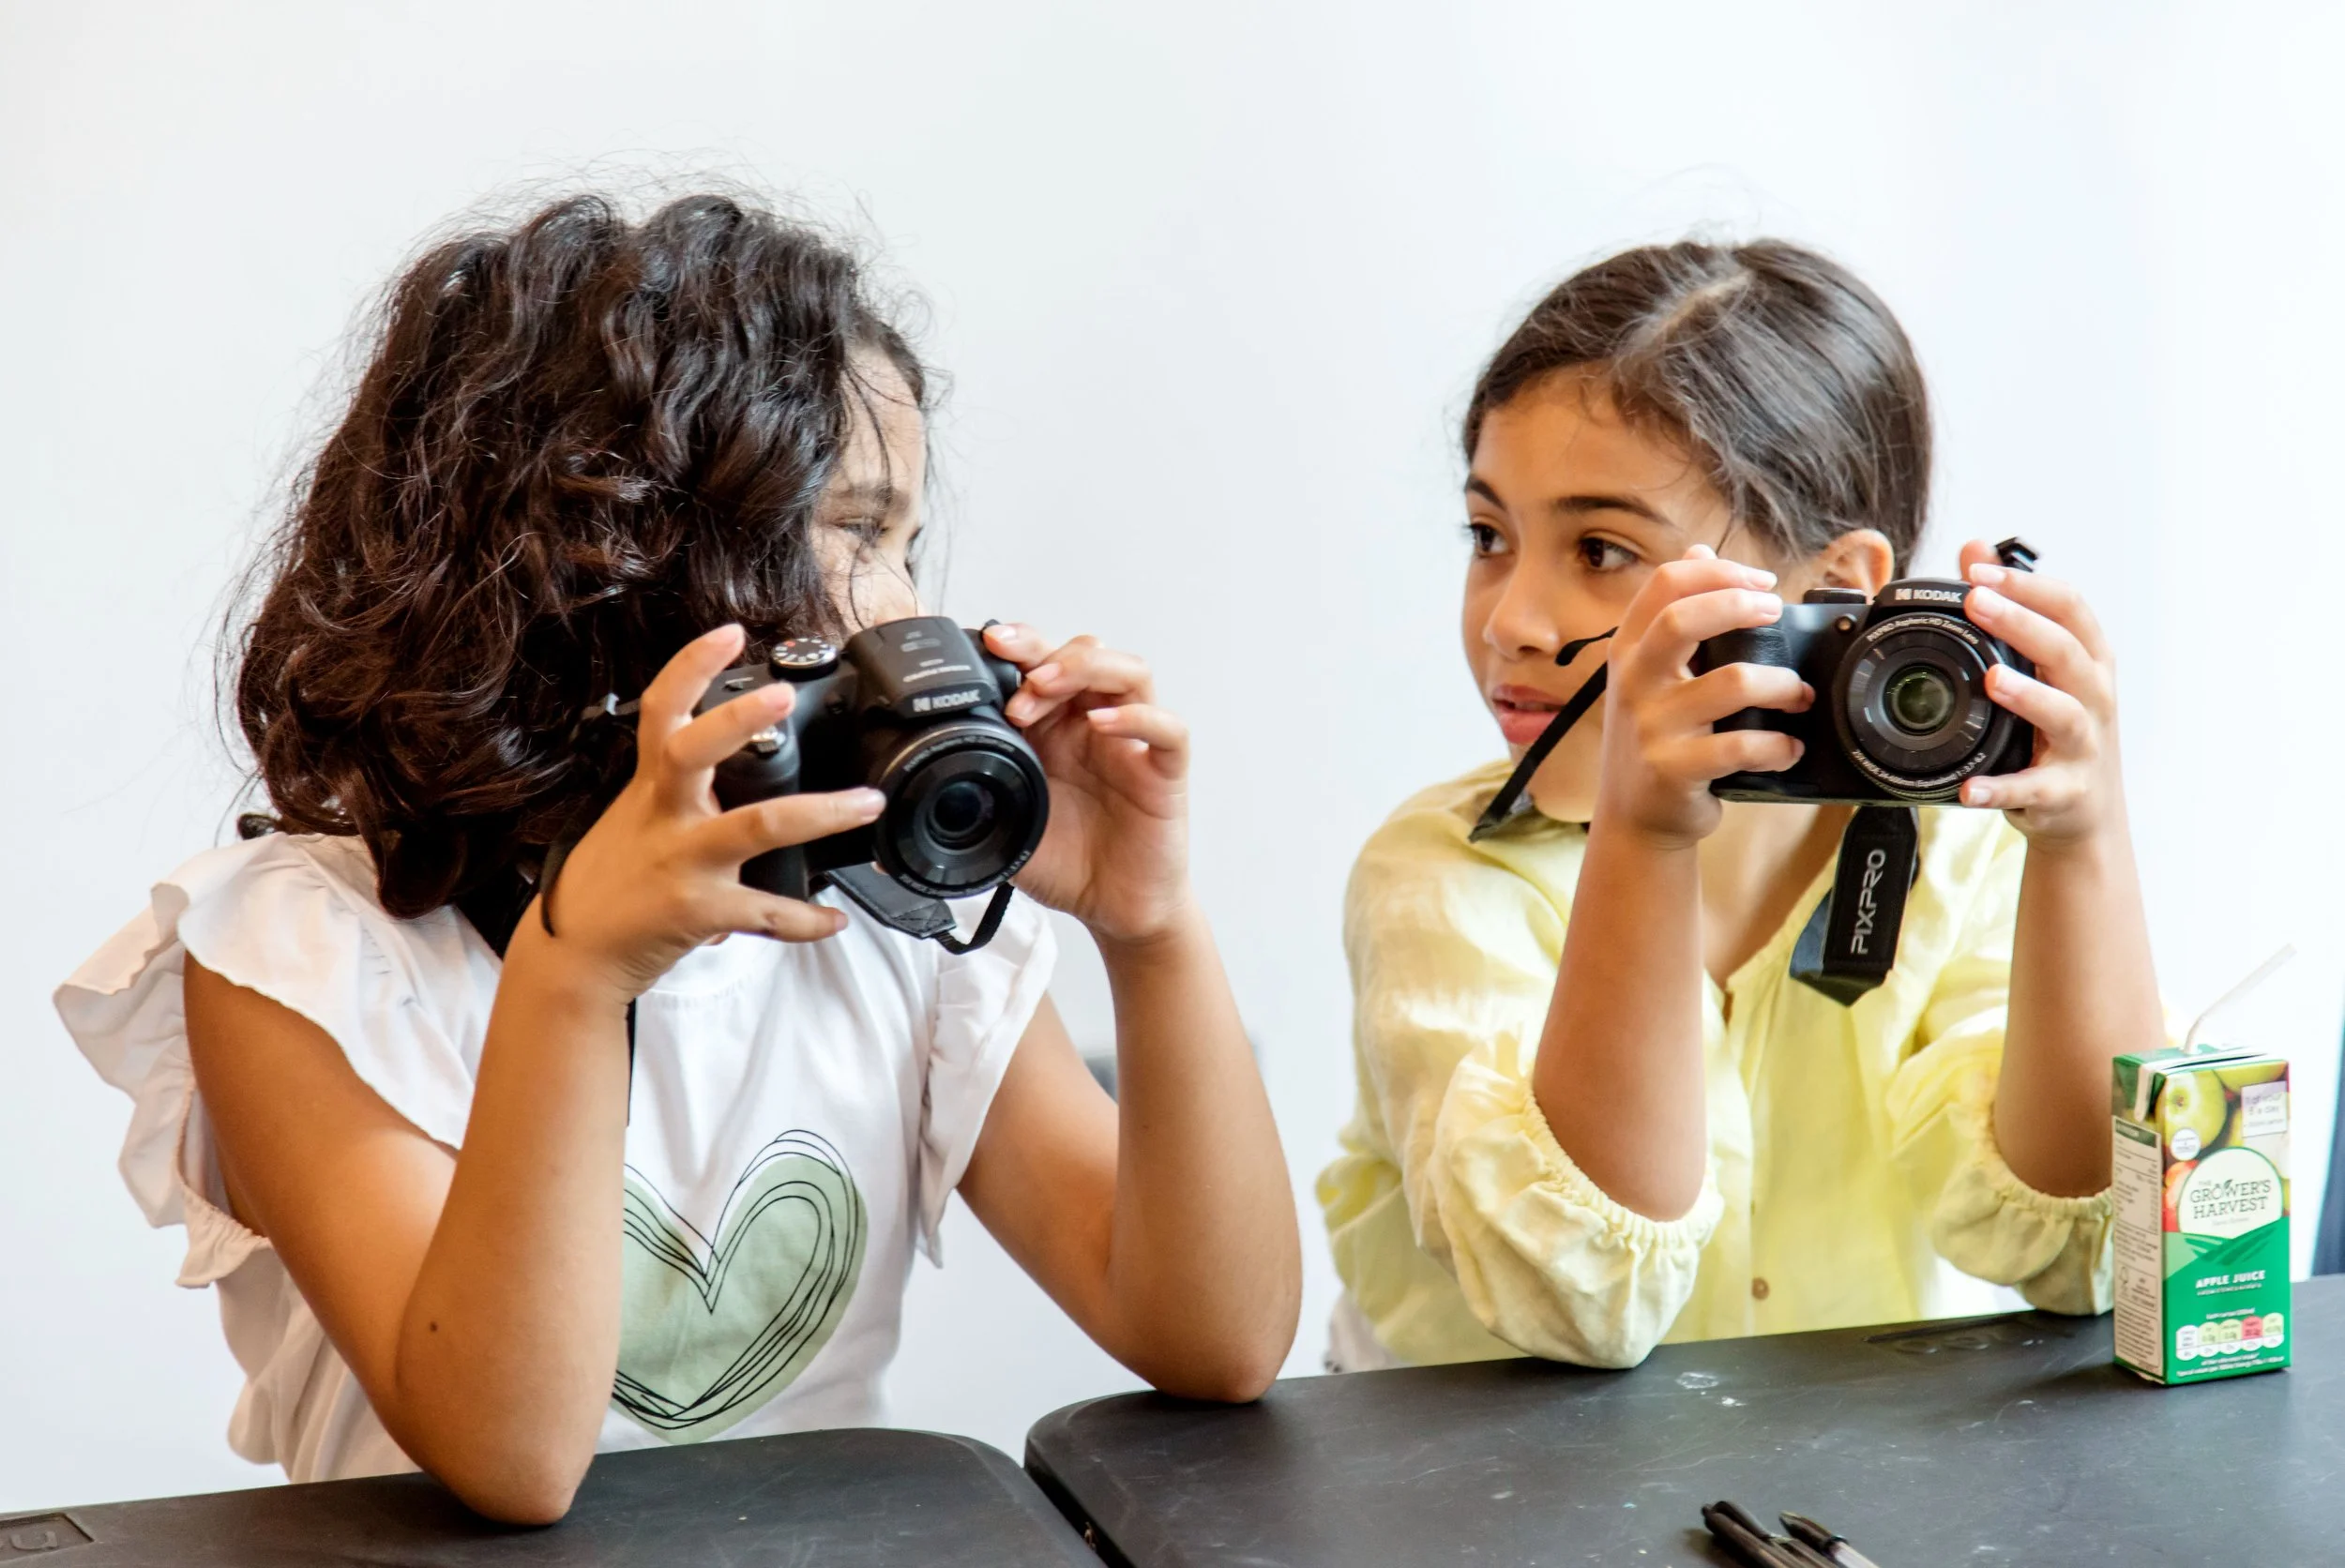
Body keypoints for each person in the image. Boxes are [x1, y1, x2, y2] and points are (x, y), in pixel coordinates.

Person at [56, 191, 1299, 1522]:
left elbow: (1213, 1339)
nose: (907, 611)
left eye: (910, 546)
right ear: (604, 561)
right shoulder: (299, 955)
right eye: (857, 536)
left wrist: (1152, 930)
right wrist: (579, 973)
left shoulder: (887, 930)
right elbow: (512, 1460)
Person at [1318, 240, 2158, 1372]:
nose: (1511, 618)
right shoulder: (1441, 872)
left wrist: (2081, 841)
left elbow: (2090, 1262)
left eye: (1601, 549)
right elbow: (1580, 1301)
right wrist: (1643, 835)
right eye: (1488, 536)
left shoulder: (1961, 856)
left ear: (1839, 589)